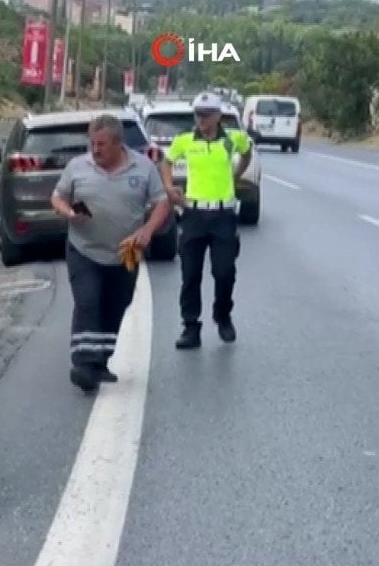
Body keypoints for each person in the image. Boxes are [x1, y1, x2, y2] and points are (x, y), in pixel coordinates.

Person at [51, 114, 171, 393]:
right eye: (92, 143)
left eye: (101, 144)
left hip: (124, 254)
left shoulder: (143, 168)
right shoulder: (77, 166)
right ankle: (83, 364)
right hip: (84, 250)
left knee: (116, 305)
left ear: (119, 144)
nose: (95, 149)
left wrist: (147, 231)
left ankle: (100, 361)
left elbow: (162, 203)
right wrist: (67, 211)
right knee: (88, 300)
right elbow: (57, 196)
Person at [160, 92, 253, 349]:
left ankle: (222, 315)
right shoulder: (185, 141)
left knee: (224, 272)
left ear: (218, 116)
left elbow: (247, 153)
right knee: (190, 274)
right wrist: (169, 188)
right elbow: (166, 163)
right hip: (194, 214)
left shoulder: (232, 139)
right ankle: (191, 327)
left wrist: (236, 174)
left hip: (223, 215)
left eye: (206, 114)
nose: (200, 119)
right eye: (197, 114)